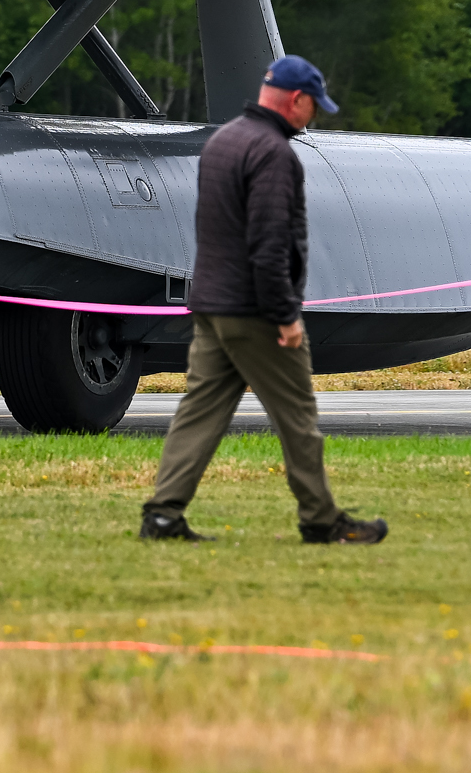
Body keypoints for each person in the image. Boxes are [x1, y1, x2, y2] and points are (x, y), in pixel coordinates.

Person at [140, 54, 388, 546]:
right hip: (254, 311)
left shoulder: (224, 140)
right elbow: (271, 243)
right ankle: (321, 520)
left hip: (211, 304)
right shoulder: (274, 154)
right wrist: (285, 315)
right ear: (296, 100)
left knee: (199, 411)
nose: (312, 117)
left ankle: (163, 515)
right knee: (297, 416)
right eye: (313, 106)